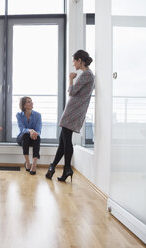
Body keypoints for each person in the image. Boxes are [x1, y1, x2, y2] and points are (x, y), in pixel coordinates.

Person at [46, 50, 94, 182]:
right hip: (74, 110)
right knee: (63, 141)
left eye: (74, 61)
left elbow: (72, 92)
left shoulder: (86, 75)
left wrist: (70, 79)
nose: (73, 64)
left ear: (80, 60)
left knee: (66, 141)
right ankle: (53, 166)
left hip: (73, 111)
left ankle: (67, 167)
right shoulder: (88, 75)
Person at [16, 97, 42, 175]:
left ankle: (34, 164)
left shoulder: (38, 115)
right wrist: (30, 130)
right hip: (22, 138)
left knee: (37, 137)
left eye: (31, 102)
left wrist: (35, 133)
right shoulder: (19, 115)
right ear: (24, 105)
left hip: (33, 138)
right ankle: (27, 163)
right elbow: (22, 129)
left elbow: (38, 129)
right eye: (28, 102)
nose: (31, 103)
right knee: (26, 135)